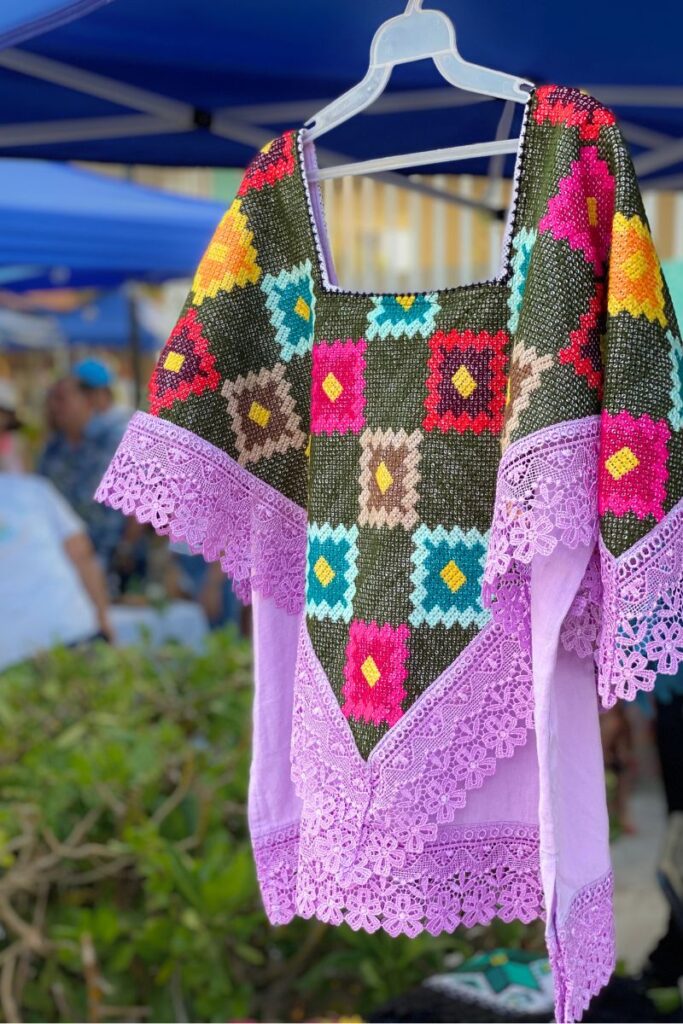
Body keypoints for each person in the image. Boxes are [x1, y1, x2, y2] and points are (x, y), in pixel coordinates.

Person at [0, 432, 112, 670]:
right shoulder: (35, 490)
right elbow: (82, 555)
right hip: (70, 631)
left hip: (11, 657)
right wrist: (104, 622)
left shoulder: (35, 490)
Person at [39, 360, 131, 573]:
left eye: (62, 398)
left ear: (91, 399)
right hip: (62, 562)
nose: (54, 406)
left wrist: (125, 549)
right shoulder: (54, 446)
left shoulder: (117, 438)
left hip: (113, 563)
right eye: (52, 397)